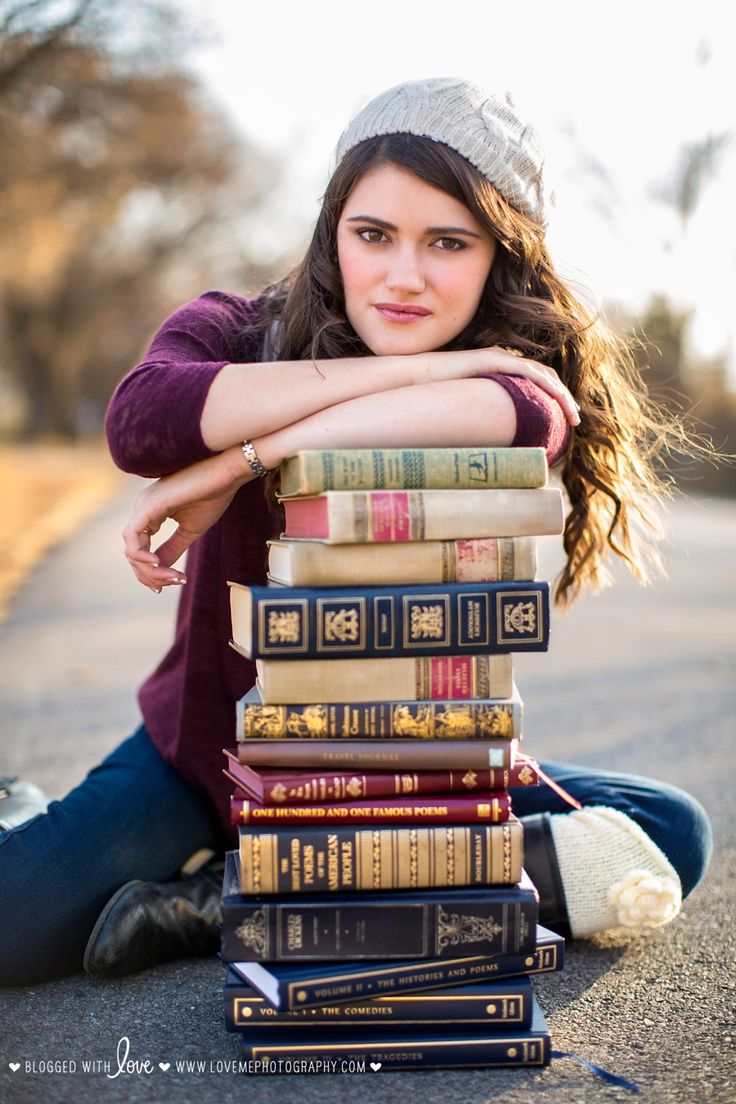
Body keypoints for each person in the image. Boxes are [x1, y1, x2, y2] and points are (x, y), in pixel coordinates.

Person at [0, 77, 712, 986]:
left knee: (669, 831)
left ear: (501, 258)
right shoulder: (238, 330)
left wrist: (235, 463)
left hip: (404, 786)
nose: (403, 276)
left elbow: (524, 416)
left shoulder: (521, 386)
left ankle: (235, 894)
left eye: (448, 243)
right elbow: (140, 418)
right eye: (373, 234)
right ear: (333, 231)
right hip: (204, 762)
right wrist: (435, 371)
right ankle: (73, 828)